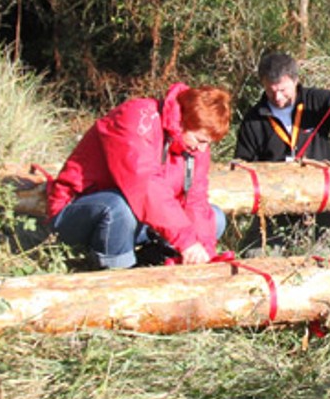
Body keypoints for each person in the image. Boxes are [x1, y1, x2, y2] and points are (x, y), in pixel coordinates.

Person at [46, 83, 232, 269]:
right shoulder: (136, 117)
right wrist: (187, 242)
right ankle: (118, 274)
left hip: (140, 218)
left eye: (208, 144)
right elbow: (145, 187)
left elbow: (195, 201)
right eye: (200, 140)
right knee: (119, 208)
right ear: (182, 121)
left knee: (214, 217)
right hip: (79, 210)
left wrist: (205, 249)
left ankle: (159, 260)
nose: (202, 149)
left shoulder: (196, 148)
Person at [234, 51, 330, 163]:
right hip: (276, 190)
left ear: (295, 80)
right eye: (271, 91)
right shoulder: (253, 120)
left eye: (282, 90)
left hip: (320, 187)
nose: (277, 97)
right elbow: (243, 163)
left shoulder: (317, 101)